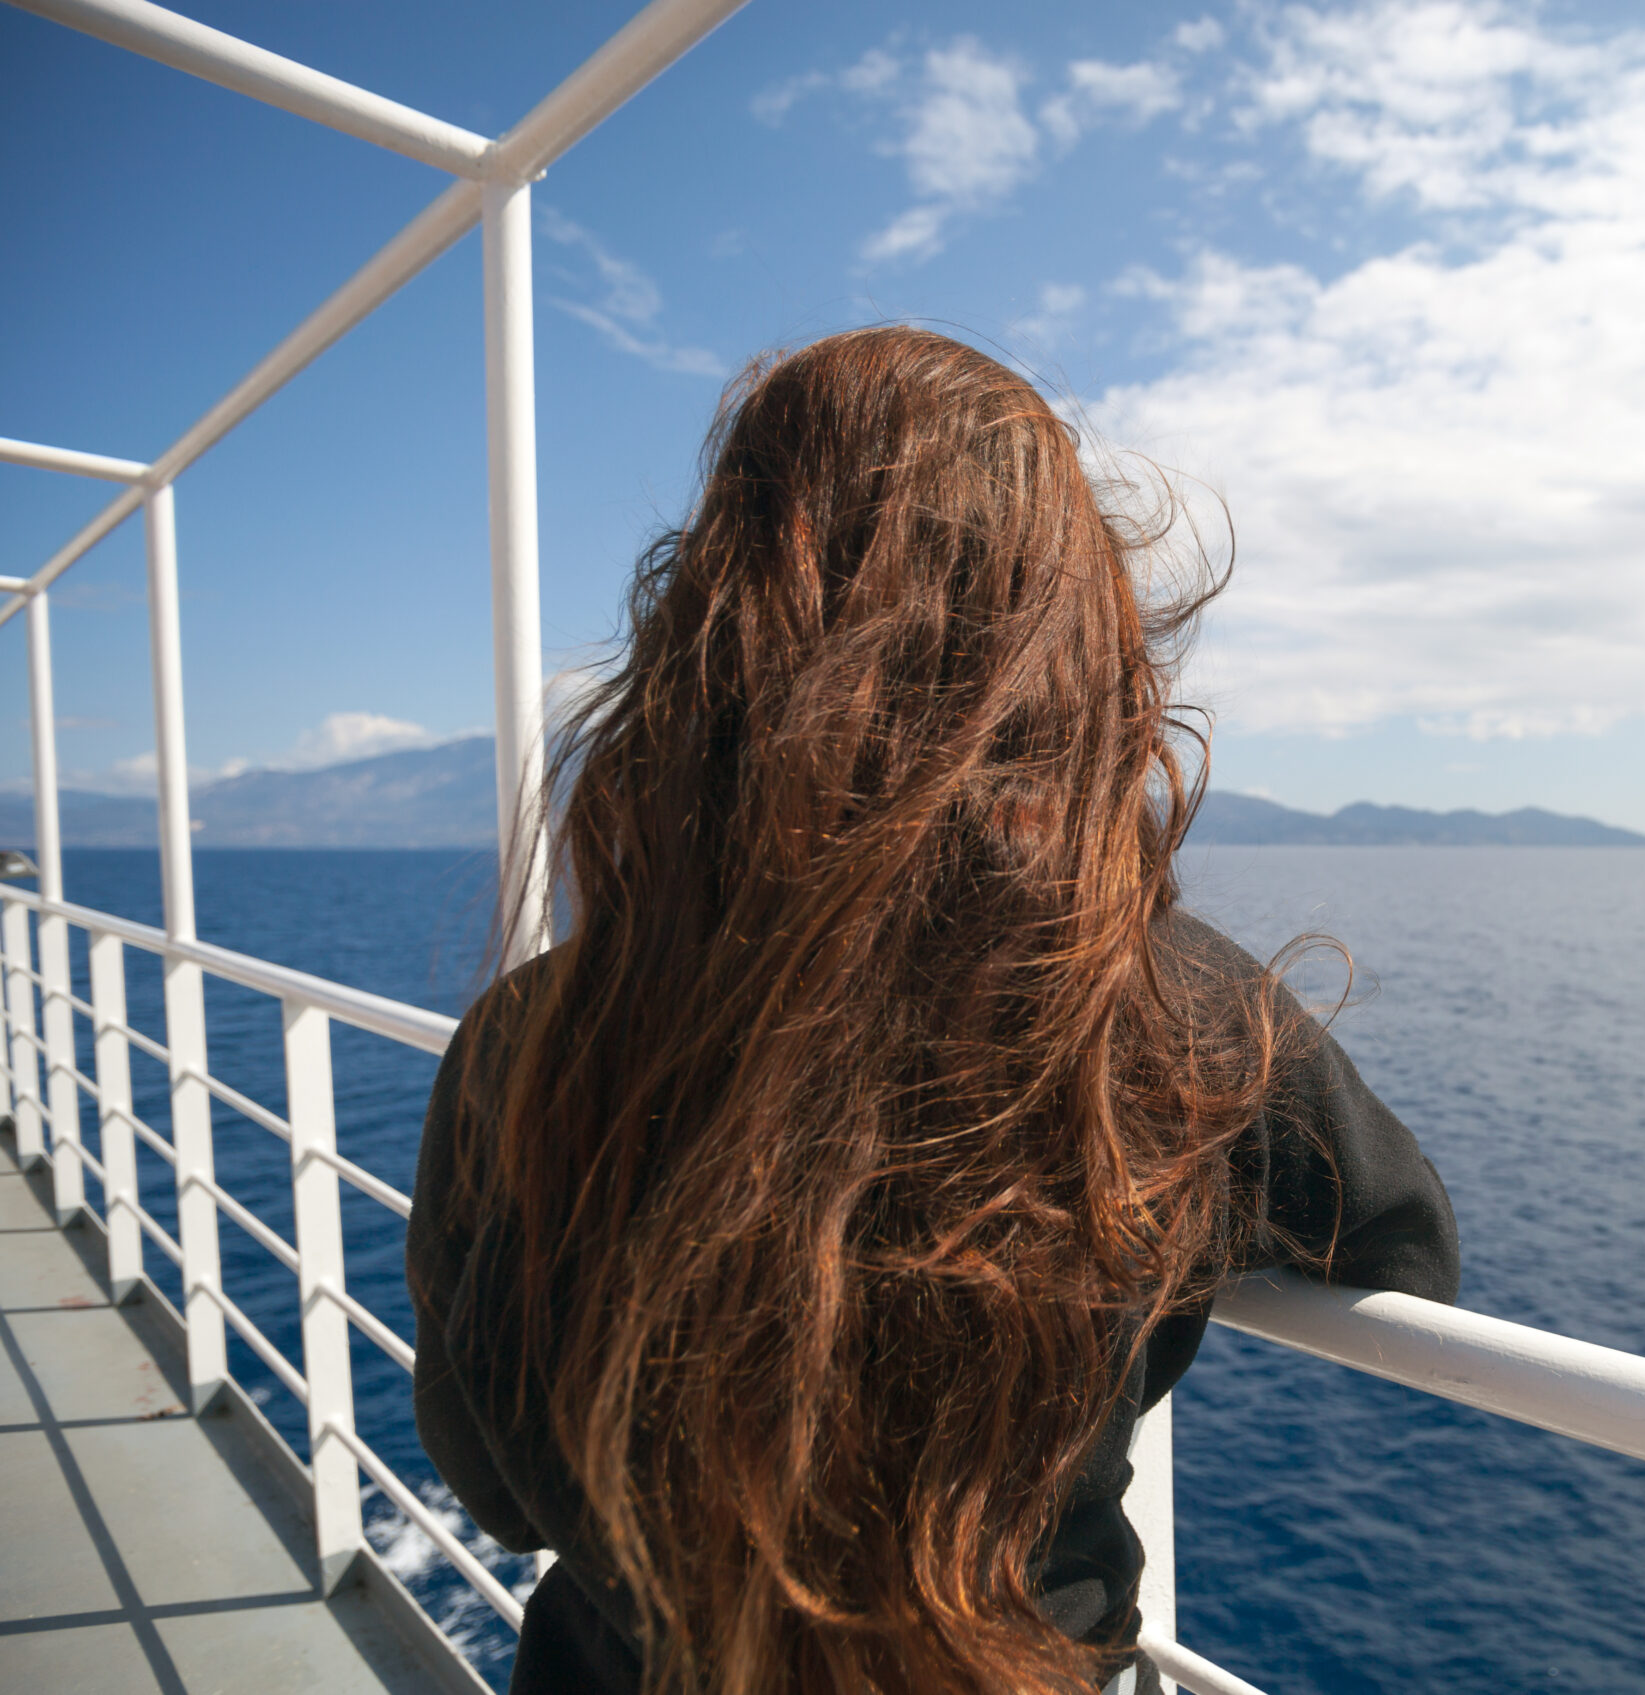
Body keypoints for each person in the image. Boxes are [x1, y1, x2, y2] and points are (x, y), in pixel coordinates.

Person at [406, 327, 1460, 1695]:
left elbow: (493, 1479)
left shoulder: (539, 1039)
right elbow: (1404, 1248)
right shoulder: (1177, 1012)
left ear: (715, 626)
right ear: (1067, 648)